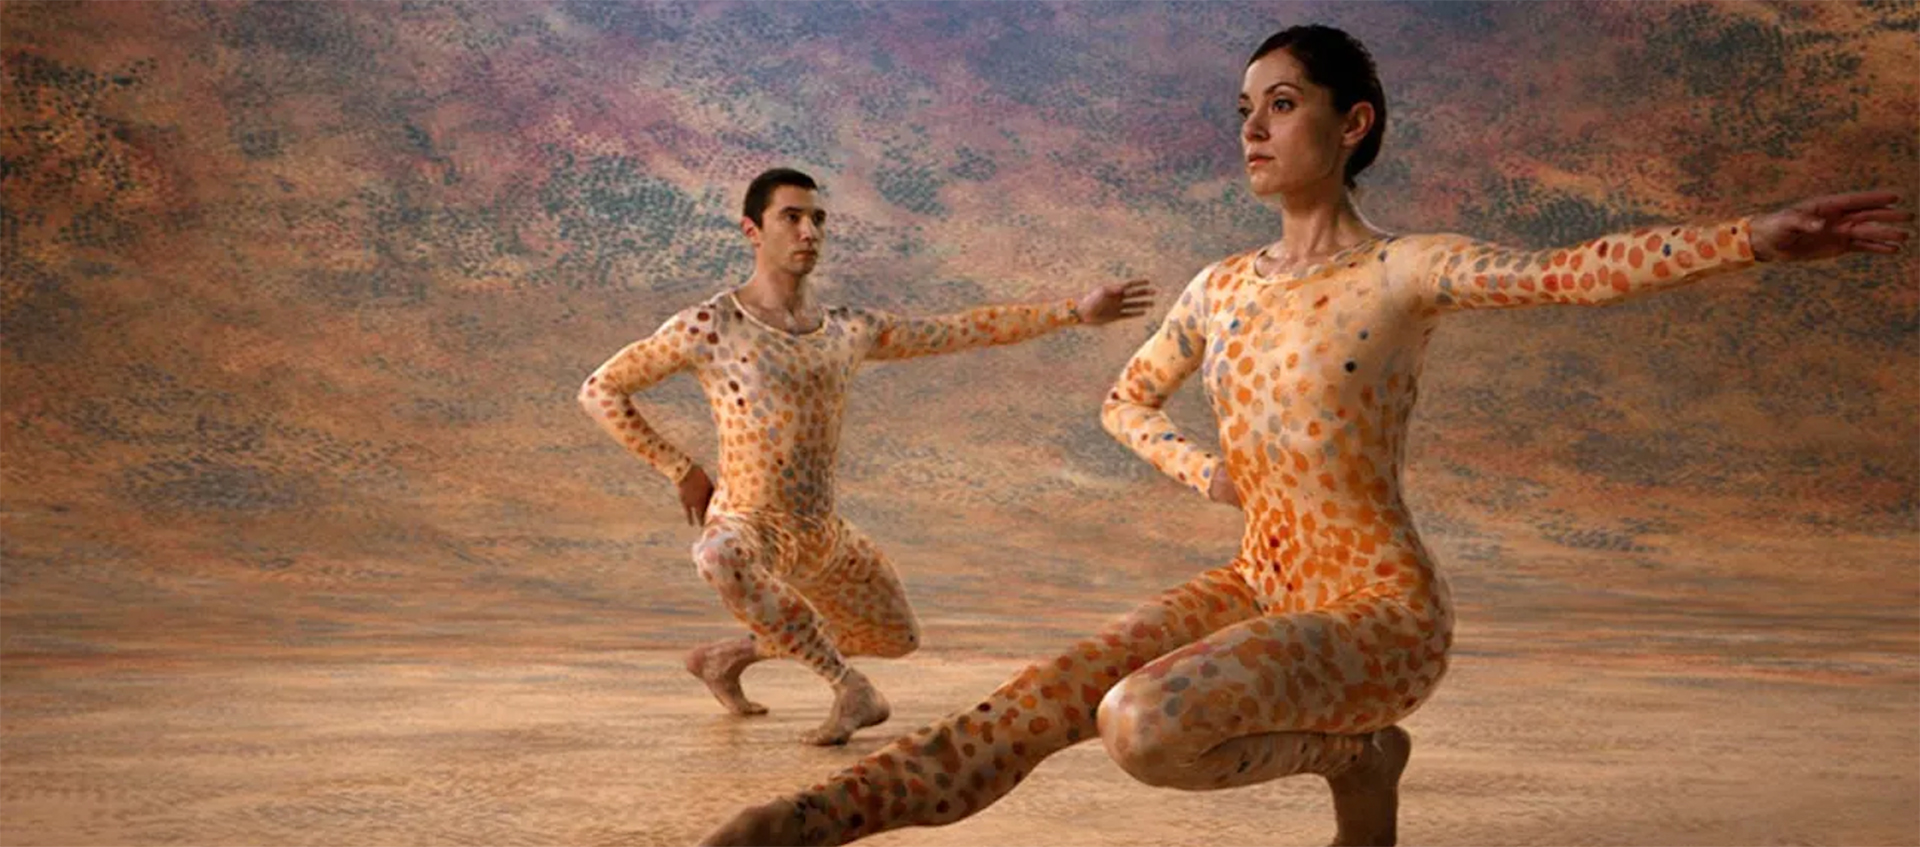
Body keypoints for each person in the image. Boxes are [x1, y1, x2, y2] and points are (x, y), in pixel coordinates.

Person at [698, 25, 1910, 846]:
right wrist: (1201, 468)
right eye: (1244, 110)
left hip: (1375, 610)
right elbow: (1124, 400)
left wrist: (1750, 236)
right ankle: (791, 826)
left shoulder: (1404, 271)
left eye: (1282, 106)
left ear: (1355, 122)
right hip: (1256, 578)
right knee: (1036, 700)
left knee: (1141, 722)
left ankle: (1355, 755)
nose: (1253, 128)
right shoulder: (1219, 285)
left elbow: (1572, 272)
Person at [578, 168, 1154, 746]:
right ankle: (849, 687)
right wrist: (681, 468)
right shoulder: (709, 325)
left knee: (896, 637)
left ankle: (728, 658)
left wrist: (1074, 312)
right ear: (752, 230)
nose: (810, 232)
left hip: (822, 533)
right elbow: (600, 389)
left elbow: (958, 330)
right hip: (749, 524)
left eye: (819, 219)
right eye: (792, 217)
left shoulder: (847, 330)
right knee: (716, 554)